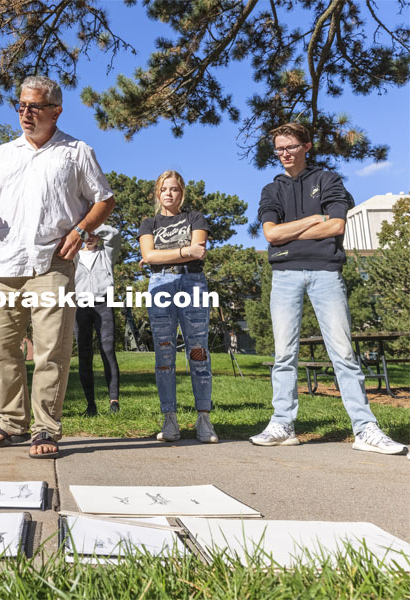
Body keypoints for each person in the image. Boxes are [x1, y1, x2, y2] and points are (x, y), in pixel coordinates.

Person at [0, 75, 115, 458]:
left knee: (50, 351)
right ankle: (11, 424)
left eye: (34, 106)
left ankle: (45, 430)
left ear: (56, 111)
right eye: (21, 105)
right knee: (1, 349)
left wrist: (80, 229)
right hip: (6, 266)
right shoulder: (3, 154)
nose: (25, 113)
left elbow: (104, 200)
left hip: (52, 263)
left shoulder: (76, 152)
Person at [251, 122, 406, 455]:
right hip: (285, 276)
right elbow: (271, 235)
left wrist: (294, 229)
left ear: (306, 146)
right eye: (278, 149)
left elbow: (336, 224)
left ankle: (365, 430)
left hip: (325, 272)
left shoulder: (328, 180)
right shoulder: (271, 190)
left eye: (290, 147)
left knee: (344, 355)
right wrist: (314, 220)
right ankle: (283, 425)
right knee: (283, 356)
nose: (283, 154)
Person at [137, 170, 218, 444]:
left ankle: (204, 418)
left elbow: (200, 248)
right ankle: (169, 418)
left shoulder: (195, 218)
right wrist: (184, 251)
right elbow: (148, 255)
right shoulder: (149, 223)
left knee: (198, 351)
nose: (169, 194)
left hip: (192, 282)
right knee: (164, 354)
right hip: (160, 285)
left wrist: (160, 256)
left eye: (174, 189)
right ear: (157, 194)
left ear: (182, 193)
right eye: (164, 189)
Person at [73, 224, 121, 417]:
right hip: (80, 306)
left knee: (107, 350)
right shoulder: (74, 255)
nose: (90, 238)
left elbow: (114, 233)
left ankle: (114, 401)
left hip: (104, 304)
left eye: (94, 235)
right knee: (84, 354)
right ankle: (90, 404)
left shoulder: (106, 253)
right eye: (86, 235)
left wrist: (90, 225)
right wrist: (80, 231)